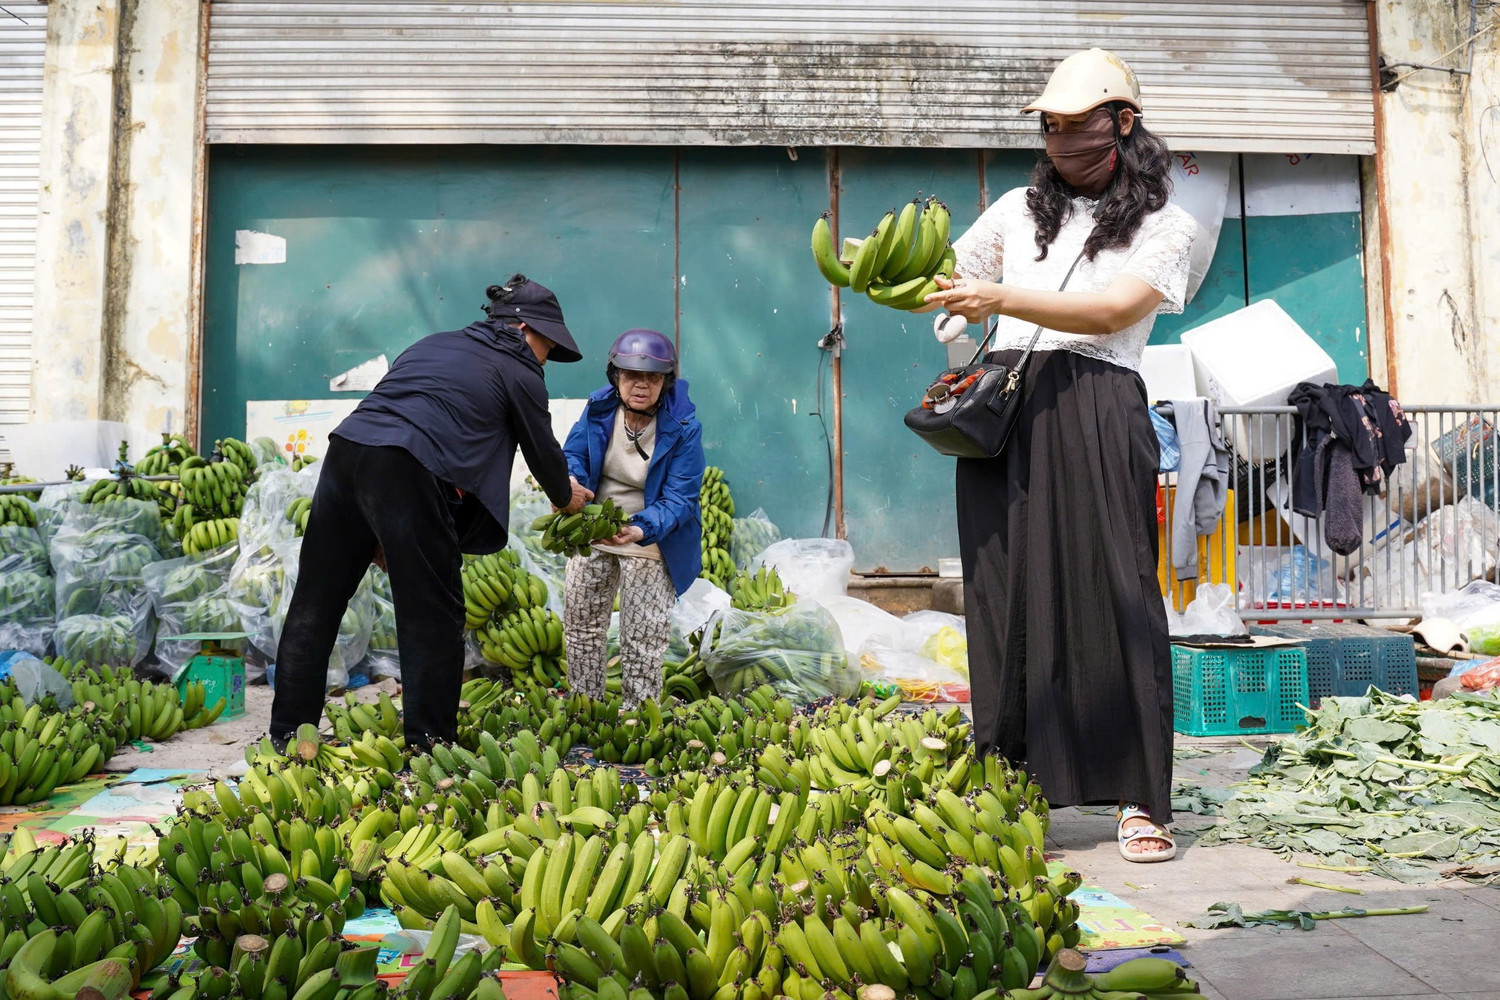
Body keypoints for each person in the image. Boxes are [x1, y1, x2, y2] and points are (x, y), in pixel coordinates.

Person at [919, 49, 1196, 862]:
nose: (1062, 137)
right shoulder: (1014, 209)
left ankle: (1142, 797)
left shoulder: (1166, 225)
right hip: (1007, 407)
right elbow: (951, 279)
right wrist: (919, 283)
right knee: (1005, 599)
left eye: (1079, 123)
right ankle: (1014, 786)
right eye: (1051, 125)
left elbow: (1113, 311)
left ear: (1123, 124)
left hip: (1099, 404)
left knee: (1116, 592)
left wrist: (1000, 296)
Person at [269, 275, 592, 752]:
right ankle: (430, 746)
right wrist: (568, 498)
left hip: (347, 453)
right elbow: (542, 454)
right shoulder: (521, 370)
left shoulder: (432, 343)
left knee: (315, 604)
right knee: (434, 614)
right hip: (406, 465)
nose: (546, 356)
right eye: (548, 345)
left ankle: (286, 736)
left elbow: (404, 413)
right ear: (525, 329)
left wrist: (377, 525)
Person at [561, 329, 705, 708]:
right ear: (616, 377)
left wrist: (641, 528)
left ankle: (638, 719)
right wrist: (571, 481)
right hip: (595, 524)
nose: (641, 385)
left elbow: (681, 496)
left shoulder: (684, 427)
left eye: (652, 378)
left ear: (665, 382)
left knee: (642, 635)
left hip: (651, 531)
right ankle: (584, 708)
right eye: (631, 375)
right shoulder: (598, 409)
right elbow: (573, 454)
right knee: (582, 625)